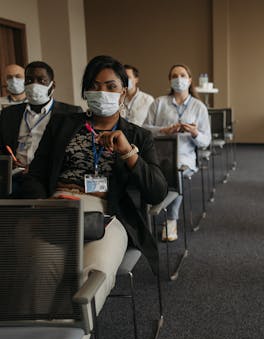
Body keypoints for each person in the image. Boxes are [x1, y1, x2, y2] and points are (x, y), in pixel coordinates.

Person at [16, 55, 168, 314]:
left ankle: (71, 337)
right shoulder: (64, 125)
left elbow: (156, 192)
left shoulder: (137, 136)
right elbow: (35, 175)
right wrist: (45, 204)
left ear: (123, 92)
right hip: (57, 209)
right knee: (40, 272)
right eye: (95, 86)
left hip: (106, 215)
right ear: (85, 92)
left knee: (90, 282)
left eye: (111, 86)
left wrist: (129, 154)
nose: (102, 92)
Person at [143, 63, 211, 241]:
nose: (178, 79)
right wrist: (164, 130)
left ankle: (171, 220)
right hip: (158, 156)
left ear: (189, 80)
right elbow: (144, 129)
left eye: (182, 75)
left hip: (184, 158)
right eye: (174, 75)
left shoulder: (199, 107)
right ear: (169, 80)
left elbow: (206, 141)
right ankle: (143, 220)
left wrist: (195, 133)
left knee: (176, 175)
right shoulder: (159, 103)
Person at [0, 61, 82, 191]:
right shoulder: (8, 113)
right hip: (14, 175)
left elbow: (73, 154)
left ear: (52, 85)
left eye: (41, 80)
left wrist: (36, 168)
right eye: (29, 80)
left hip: (45, 176)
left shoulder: (70, 114)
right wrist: (8, 164)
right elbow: (2, 149)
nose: (34, 84)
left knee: (31, 191)